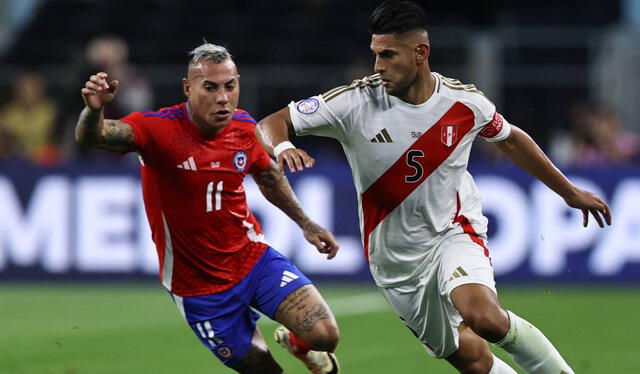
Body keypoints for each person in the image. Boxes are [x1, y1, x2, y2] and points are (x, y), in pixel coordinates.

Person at [257, 1, 612, 374]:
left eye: (389, 55)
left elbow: (510, 139)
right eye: (375, 54)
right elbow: (271, 122)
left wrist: (569, 192)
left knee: (485, 318)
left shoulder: (464, 103)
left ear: (420, 53)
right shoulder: (354, 103)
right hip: (395, 261)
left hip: (452, 230)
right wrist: (283, 146)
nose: (378, 66)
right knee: (472, 359)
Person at [75, 43, 341, 374]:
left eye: (230, 86)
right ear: (188, 88)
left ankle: (300, 346)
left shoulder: (244, 126)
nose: (222, 97)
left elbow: (269, 175)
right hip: (198, 287)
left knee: (326, 336)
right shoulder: (157, 129)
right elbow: (94, 136)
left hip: (251, 258)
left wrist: (306, 223)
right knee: (265, 370)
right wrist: (94, 110)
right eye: (210, 87)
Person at [0, 71, 59, 164]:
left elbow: (55, 139)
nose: (28, 93)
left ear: (40, 90)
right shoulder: (9, 112)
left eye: (32, 88)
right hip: (15, 158)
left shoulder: (50, 110)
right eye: (23, 89)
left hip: (46, 159)